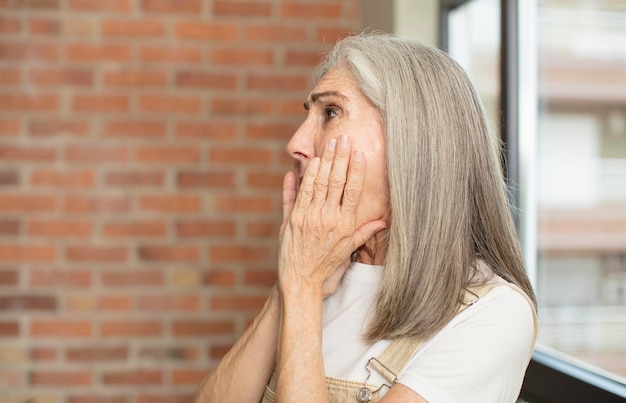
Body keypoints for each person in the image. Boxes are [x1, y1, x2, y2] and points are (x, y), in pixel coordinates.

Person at [194, 32, 537, 403]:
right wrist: (289, 286)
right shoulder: (321, 270)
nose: (296, 142)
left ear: (410, 137)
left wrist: (303, 283)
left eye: (330, 112)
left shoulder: (493, 313)